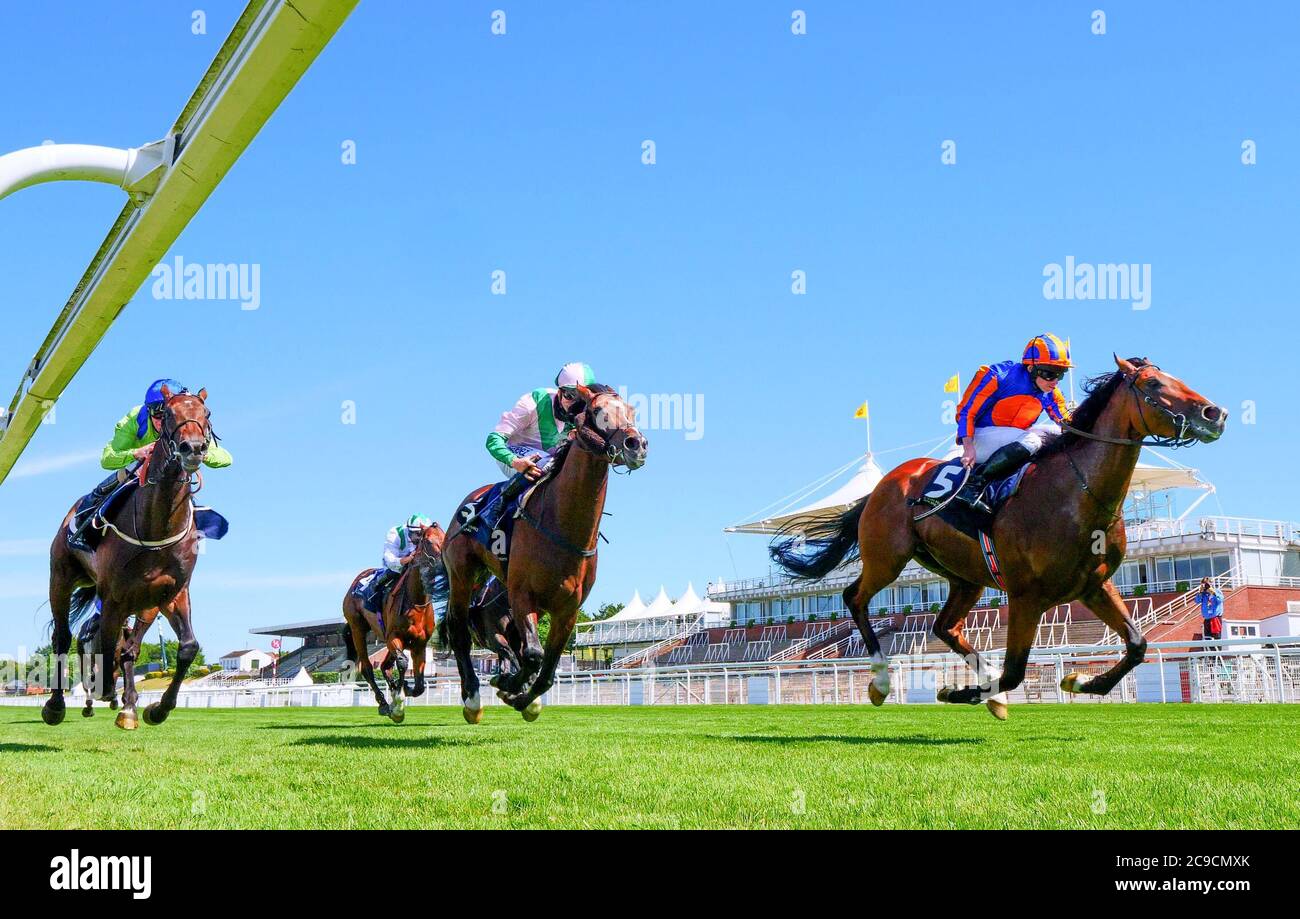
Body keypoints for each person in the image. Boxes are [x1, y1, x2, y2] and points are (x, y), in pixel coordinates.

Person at [67, 379, 233, 552]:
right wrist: (135, 453)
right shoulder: (135, 418)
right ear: (148, 410)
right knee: (115, 481)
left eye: (166, 415)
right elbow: (107, 459)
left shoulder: (189, 417)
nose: (161, 420)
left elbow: (226, 458)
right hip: (136, 470)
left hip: (173, 478)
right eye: (156, 413)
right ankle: (82, 524)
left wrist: (200, 453)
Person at [460, 361, 597, 535]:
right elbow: (493, 440)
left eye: (582, 399)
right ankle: (494, 506)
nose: (575, 405)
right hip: (513, 453)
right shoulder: (533, 402)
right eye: (570, 395)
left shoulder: (582, 416)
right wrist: (514, 462)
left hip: (548, 460)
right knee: (544, 464)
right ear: (560, 391)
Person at [950, 334, 1073, 513]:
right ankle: (974, 486)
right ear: (1031, 368)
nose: (1054, 381)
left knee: (1058, 434)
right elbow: (966, 411)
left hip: (1013, 437)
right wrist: (968, 446)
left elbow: (1067, 421)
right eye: (1050, 373)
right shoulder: (997, 376)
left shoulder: (1050, 392)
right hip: (980, 436)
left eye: (1061, 374)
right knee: (1032, 440)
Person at [362, 515, 433, 613]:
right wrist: (408, 559)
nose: (421, 538)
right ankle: (372, 594)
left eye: (423, 534)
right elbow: (390, 560)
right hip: (396, 565)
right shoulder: (395, 534)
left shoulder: (425, 537)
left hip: (416, 564)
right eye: (418, 534)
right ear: (410, 531)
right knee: (389, 575)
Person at [1195, 577, 1225, 645]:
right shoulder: (1203, 594)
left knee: (1216, 639)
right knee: (1207, 639)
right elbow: (1197, 601)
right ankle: (1210, 655)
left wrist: (1213, 592)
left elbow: (1220, 600)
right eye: (1204, 585)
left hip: (1215, 619)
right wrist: (1200, 592)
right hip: (1207, 618)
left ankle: (1217, 654)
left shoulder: (1217, 591)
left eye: (1207, 584)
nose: (1206, 587)